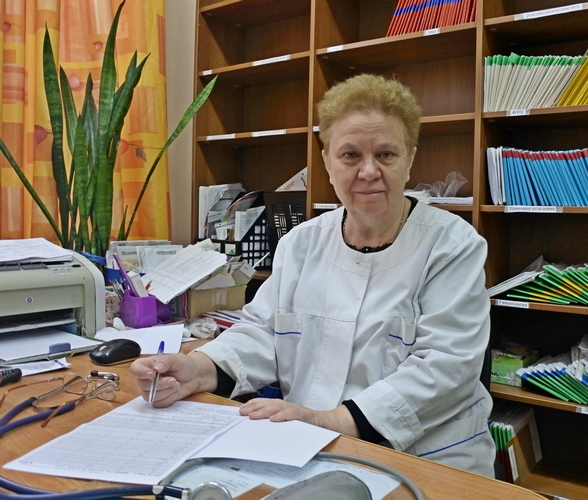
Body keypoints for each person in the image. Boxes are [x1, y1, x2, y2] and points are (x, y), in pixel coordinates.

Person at [130, 73, 496, 476]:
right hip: (308, 445)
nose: (368, 171)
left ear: (410, 158)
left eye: (386, 154)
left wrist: (331, 421)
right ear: (326, 162)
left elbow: (446, 366)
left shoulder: (452, 245)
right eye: (350, 155)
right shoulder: (301, 243)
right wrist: (197, 369)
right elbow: (262, 332)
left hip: (425, 458)